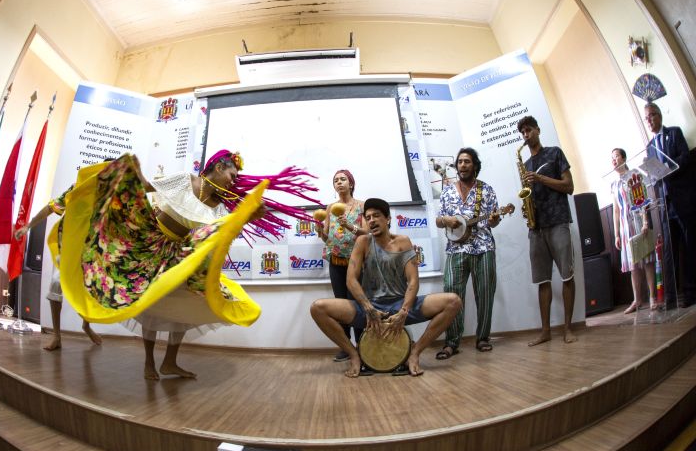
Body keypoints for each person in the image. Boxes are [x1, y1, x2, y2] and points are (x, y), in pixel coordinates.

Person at [56, 151, 319, 380]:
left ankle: (170, 361)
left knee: (186, 303)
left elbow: (219, 233)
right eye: (232, 174)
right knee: (151, 301)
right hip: (153, 246)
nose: (234, 180)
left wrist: (247, 216)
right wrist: (133, 172)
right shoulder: (185, 179)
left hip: (181, 256)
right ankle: (149, 360)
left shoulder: (219, 208)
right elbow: (147, 187)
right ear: (218, 167)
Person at [310, 198, 462, 377]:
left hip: (399, 306)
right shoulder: (362, 242)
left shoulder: (403, 242)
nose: (372, 220)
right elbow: (351, 280)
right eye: (368, 218)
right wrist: (368, 308)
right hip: (370, 308)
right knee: (318, 308)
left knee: (453, 301)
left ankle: (414, 353)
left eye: (376, 215)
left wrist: (404, 310)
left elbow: (413, 280)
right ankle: (354, 355)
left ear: (388, 219)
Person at [14, 185, 102, 351]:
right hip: (66, 248)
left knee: (89, 291)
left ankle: (86, 325)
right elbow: (49, 208)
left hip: (88, 251)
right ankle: (56, 336)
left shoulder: (103, 197)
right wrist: (28, 226)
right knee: (56, 284)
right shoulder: (75, 190)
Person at [435, 148, 503, 359]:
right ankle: (452, 342)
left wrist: (493, 220)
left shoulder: (487, 190)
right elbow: (439, 220)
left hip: (483, 248)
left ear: (475, 166)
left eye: (467, 161)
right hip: (456, 249)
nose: (463, 165)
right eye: (460, 161)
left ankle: (483, 338)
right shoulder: (447, 191)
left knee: (484, 293)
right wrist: (447, 220)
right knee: (452, 295)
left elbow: (495, 218)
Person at [516, 116, 577, 346]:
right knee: (542, 281)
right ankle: (545, 331)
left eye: (528, 130)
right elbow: (529, 193)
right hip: (537, 227)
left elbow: (569, 187)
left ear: (538, 130)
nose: (525, 135)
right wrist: (527, 209)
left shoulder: (554, 153)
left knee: (567, 276)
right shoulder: (526, 164)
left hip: (558, 221)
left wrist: (540, 177)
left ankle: (568, 329)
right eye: (522, 132)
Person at [644, 102, 696, 308]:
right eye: (646, 118)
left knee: (690, 245)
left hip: (684, 200)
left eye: (651, 116)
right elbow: (654, 175)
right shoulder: (649, 147)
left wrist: (667, 167)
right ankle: (671, 297)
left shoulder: (674, 133)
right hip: (664, 205)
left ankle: (692, 293)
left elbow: (685, 158)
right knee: (669, 251)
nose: (649, 120)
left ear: (659, 116)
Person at [314, 169, 367, 361]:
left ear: (351, 183)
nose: (339, 182)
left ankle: (363, 344)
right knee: (340, 304)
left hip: (356, 262)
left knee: (357, 303)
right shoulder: (330, 208)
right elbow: (327, 237)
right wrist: (320, 230)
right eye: (336, 180)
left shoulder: (362, 206)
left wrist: (350, 226)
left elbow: (367, 233)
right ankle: (346, 346)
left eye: (343, 179)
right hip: (335, 261)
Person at [610, 148, 656, 313]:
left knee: (647, 260)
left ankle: (652, 297)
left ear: (623, 157)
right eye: (612, 158)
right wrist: (616, 233)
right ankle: (637, 300)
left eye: (616, 156)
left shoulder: (634, 175)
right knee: (633, 265)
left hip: (637, 221)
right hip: (624, 227)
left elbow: (642, 200)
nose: (613, 160)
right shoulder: (614, 184)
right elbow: (616, 210)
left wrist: (645, 221)